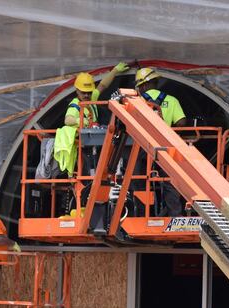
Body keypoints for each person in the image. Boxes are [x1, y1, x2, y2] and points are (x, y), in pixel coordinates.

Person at [134, 67, 186, 216]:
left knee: (138, 179)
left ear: (142, 85)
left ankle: (141, 214)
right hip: (165, 148)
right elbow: (182, 122)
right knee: (170, 181)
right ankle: (175, 214)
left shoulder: (137, 101)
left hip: (142, 147)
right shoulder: (171, 100)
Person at [64, 62, 129, 128]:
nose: (86, 95)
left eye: (89, 92)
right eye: (83, 92)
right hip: (80, 137)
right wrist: (79, 121)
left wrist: (115, 71)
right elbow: (67, 120)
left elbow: (102, 86)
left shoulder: (92, 98)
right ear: (77, 91)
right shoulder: (75, 105)